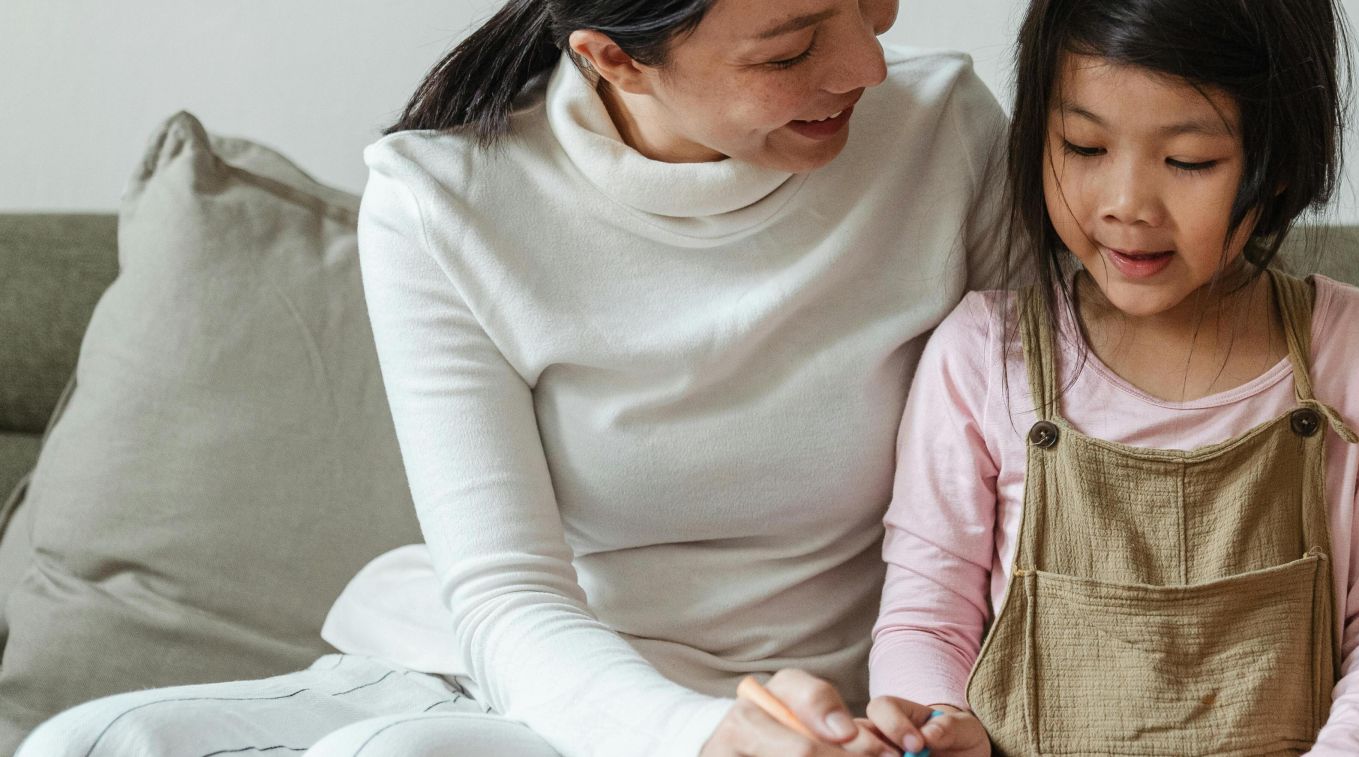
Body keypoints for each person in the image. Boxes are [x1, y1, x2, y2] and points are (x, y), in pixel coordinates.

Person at [19, 0, 1005, 755]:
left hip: (805, 706)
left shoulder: (944, 130)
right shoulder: (441, 200)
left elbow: (1033, 473)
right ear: (611, 56)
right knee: (82, 742)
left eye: (872, 0)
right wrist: (693, 736)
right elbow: (508, 596)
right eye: (789, 49)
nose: (870, 64)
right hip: (538, 679)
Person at [855, 0, 1359, 754]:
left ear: (1277, 161)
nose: (1126, 206)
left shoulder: (1358, 347)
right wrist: (938, 726)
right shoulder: (983, 354)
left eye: (1189, 162)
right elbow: (927, 618)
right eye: (1083, 146)